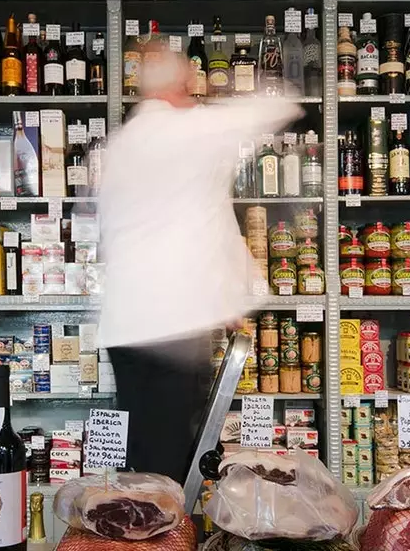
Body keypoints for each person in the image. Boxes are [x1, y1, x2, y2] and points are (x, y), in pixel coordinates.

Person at [97, 48, 302, 483]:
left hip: (125, 324)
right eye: (189, 85)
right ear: (178, 87)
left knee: (143, 446)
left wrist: (233, 287)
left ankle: (141, 525)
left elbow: (204, 213)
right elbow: (275, 104)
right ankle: (166, 536)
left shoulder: (121, 145)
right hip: (173, 324)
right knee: (174, 458)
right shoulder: (189, 129)